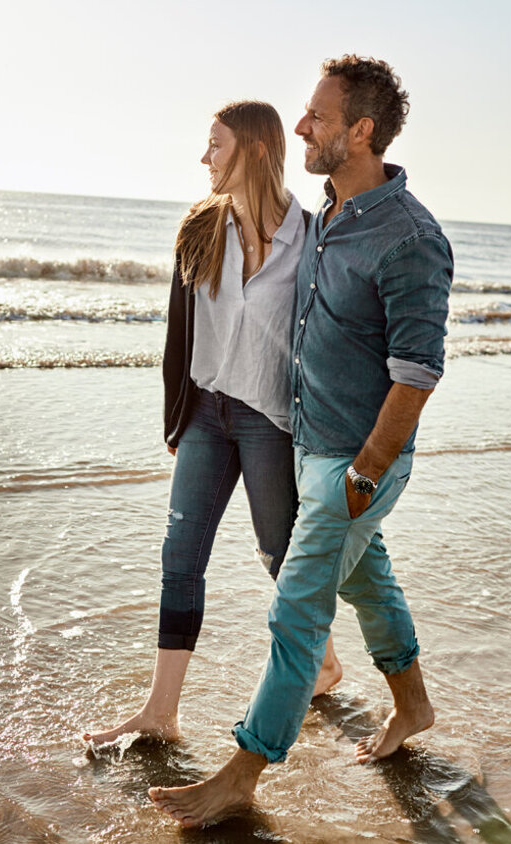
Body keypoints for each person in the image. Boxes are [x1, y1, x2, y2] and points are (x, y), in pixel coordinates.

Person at [149, 54, 453, 827]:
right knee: (370, 587)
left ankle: (243, 771)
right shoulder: (327, 220)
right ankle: (413, 707)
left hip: (356, 462)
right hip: (309, 448)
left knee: (297, 610)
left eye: (318, 116)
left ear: (362, 131)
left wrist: (365, 473)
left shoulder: (410, 238)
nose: (302, 126)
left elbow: (417, 374)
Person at [83, 101, 343, 748]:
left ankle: (325, 662)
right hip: (204, 412)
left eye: (216, 145)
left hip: (269, 421)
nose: (205, 158)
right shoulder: (199, 227)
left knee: (279, 553)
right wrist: (175, 420)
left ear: (254, 149)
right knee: (180, 557)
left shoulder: (311, 239)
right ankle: (160, 710)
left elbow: (327, 342)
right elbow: (179, 334)